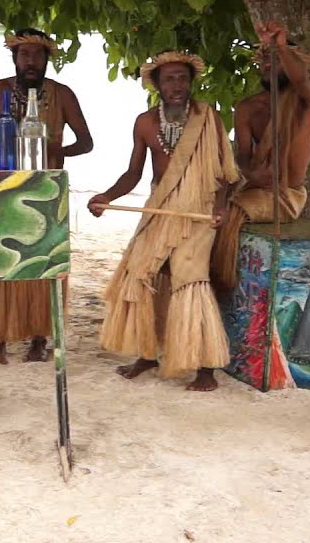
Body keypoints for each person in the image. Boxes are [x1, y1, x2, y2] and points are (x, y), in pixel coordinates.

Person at [88, 52, 240, 391]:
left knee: (191, 277)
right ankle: (147, 353)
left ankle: (205, 368)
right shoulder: (144, 122)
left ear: (191, 82)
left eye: (182, 78)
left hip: (197, 212)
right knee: (143, 272)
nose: (177, 86)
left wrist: (220, 208)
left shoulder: (208, 117)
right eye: (169, 79)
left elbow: (226, 174)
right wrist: (106, 198)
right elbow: (133, 174)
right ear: (156, 84)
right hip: (160, 208)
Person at [0, 28, 93, 364]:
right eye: (24, 55)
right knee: (1, 262)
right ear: (14, 58)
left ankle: (39, 339)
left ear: (47, 60)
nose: (31, 61)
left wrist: (56, 149)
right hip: (4, 190)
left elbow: (87, 142)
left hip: (47, 191)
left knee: (45, 263)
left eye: (38, 55)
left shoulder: (62, 94)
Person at [209, 20, 310, 293]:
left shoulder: (306, 99)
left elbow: (303, 81)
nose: (267, 65)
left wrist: (281, 46)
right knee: (207, 209)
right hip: (256, 189)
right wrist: (251, 173)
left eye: (276, 60)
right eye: (264, 61)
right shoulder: (247, 108)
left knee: (232, 213)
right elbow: (243, 157)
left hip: (287, 195)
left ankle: (223, 282)